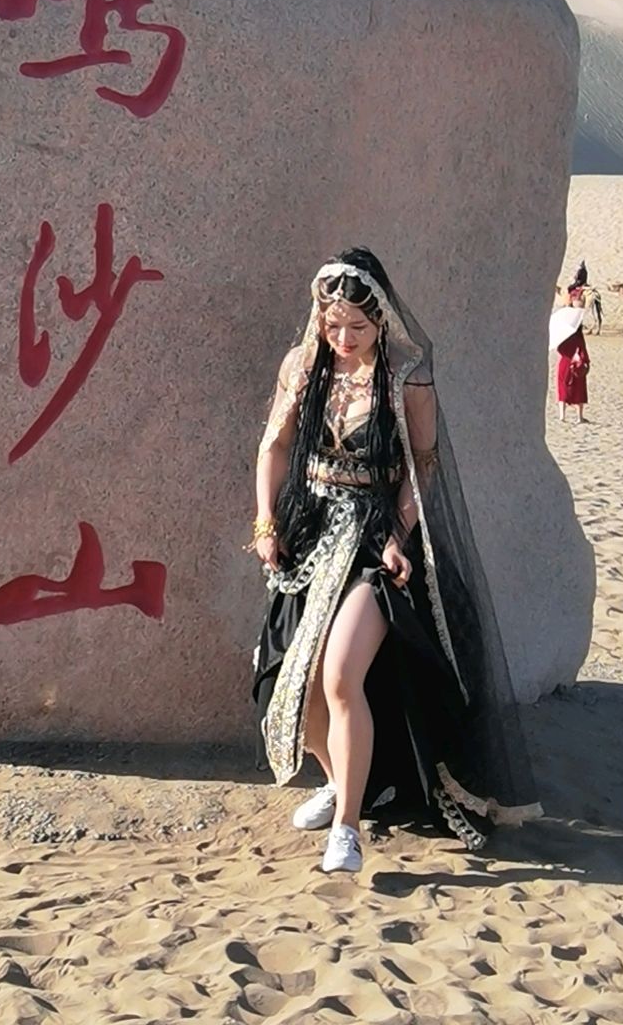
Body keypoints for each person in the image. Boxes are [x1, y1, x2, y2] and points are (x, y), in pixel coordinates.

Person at [250, 248, 539, 875]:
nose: (344, 337)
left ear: (381, 318)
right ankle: (339, 782)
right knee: (291, 685)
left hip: (374, 543)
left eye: (357, 325)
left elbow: (420, 466)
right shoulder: (303, 367)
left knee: (339, 676)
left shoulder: (406, 378)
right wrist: (266, 522)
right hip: (310, 537)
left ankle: (348, 830)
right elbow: (274, 447)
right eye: (333, 324)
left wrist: (395, 535)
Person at [553, 284, 590, 425]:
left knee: (562, 387)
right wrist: (585, 361)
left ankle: (562, 415)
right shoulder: (578, 335)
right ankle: (579, 417)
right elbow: (582, 349)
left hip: (565, 361)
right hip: (576, 362)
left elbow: (560, 349)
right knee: (579, 388)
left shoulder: (563, 334)